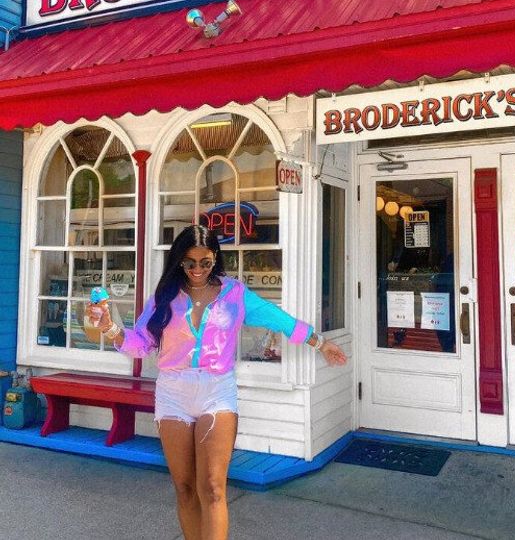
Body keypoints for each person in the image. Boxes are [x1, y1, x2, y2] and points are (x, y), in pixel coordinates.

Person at [87, 225, 348, 540]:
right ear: (179, 262)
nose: (197, 270)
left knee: (211, 487)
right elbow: (141, 344)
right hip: (173, 392)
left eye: (205, 262)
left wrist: (320, 343)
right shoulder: (163, 298)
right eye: (190, 263)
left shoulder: (234, 294)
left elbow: (278, 319)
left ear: (215, 260)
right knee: (185, 488)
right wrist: (111, 327)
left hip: (216, 390)